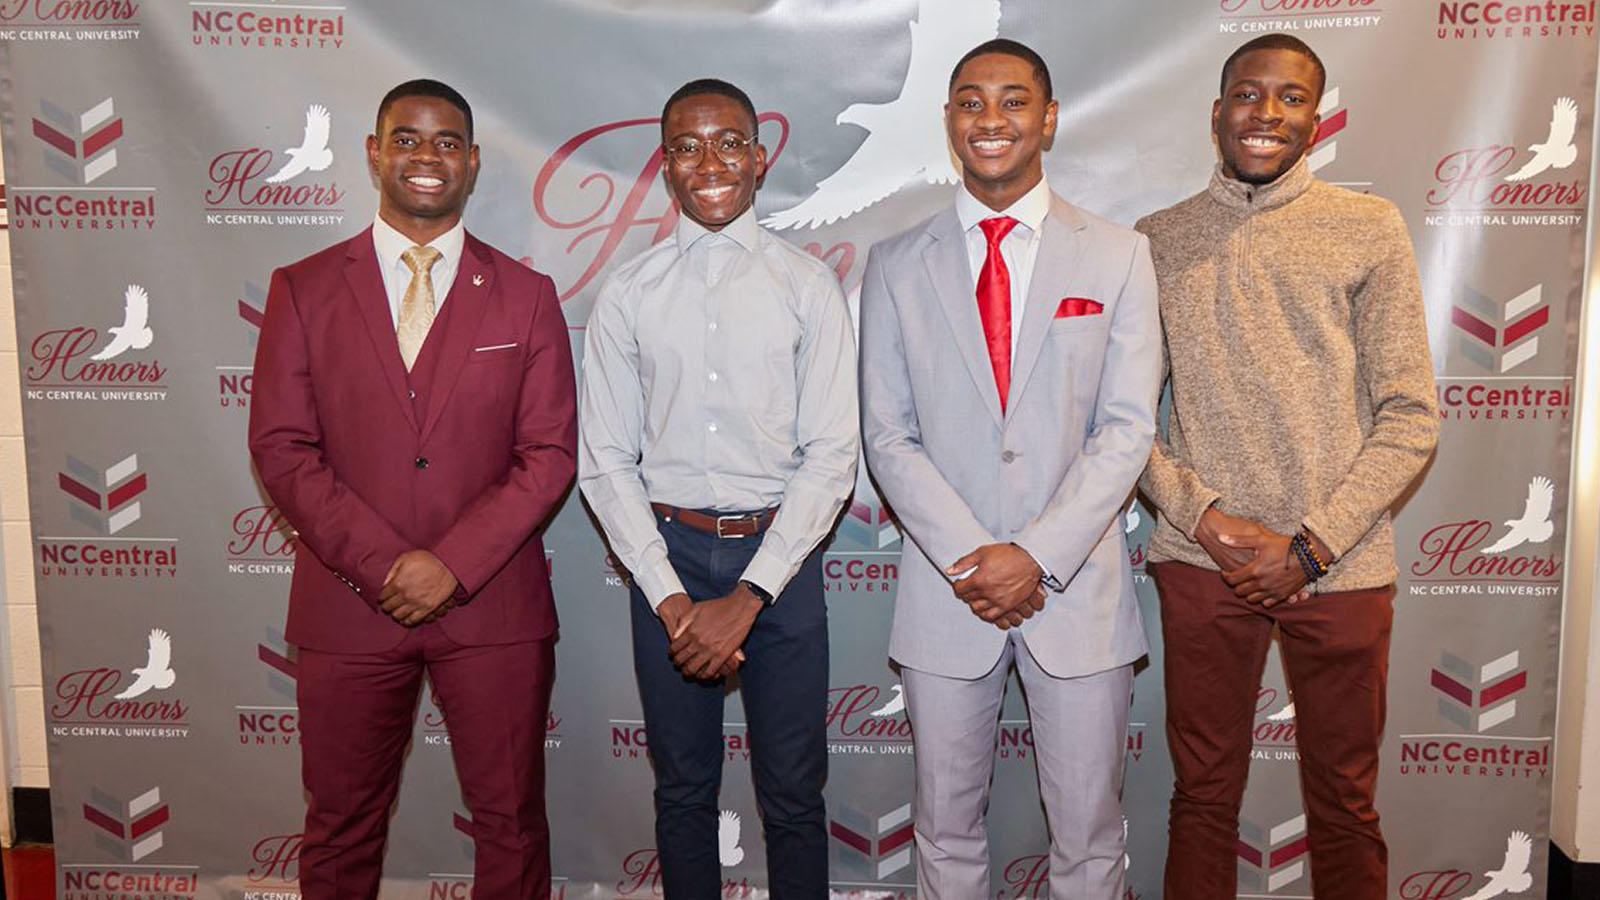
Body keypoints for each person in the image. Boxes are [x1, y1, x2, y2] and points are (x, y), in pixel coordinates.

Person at [248, 79, 576, 900]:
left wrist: (453, 565)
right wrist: (389, 565)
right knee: (341, 824)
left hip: (494, 609)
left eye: (445, 143)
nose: (426, 158)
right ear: (373, 152)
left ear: (471, 163)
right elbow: (283, 448)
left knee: (510, 821)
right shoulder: (305, 287)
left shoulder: (527, 296)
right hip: (348, 605)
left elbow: (549, 453)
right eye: (407, 138)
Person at [1135, 34, 1439, 900]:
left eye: (1290, 97)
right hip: (1203, 565)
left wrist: (1310, 548)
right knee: (1202, 797)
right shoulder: (1157, 240)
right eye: (1248, 93)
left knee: (1345, 802)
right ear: (1217, 111)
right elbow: (1120, 423)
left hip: (1342, 568)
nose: (1267, 114)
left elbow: (1412, 414)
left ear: (1317, 115)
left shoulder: (1368, 227)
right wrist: (1207, 522)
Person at [858, 38, 1160, 900]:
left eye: (1014, 100)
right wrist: (976, 557)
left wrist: (1035, 554)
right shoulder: (894, 263)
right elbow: (888, 436)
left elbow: (1127, 428)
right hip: (945, 591)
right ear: (949, 121)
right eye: (971, 101)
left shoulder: (1116, 255)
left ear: (1050, 118)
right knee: (945, 830)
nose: (992, 119)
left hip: (1079, 592)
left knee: (1091, 836)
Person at [577, 79, 858, 899]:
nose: (711, 162)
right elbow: (604, 461)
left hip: (783, 561)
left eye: (729, 142)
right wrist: (671, 600)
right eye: (689, 146)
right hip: (664, 554)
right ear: (665, 165)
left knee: (796, 798)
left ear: (760, 158)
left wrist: (749, 594)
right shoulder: (628, 294)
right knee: (684, 791)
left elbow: (832, 456)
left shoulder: (808, 288)